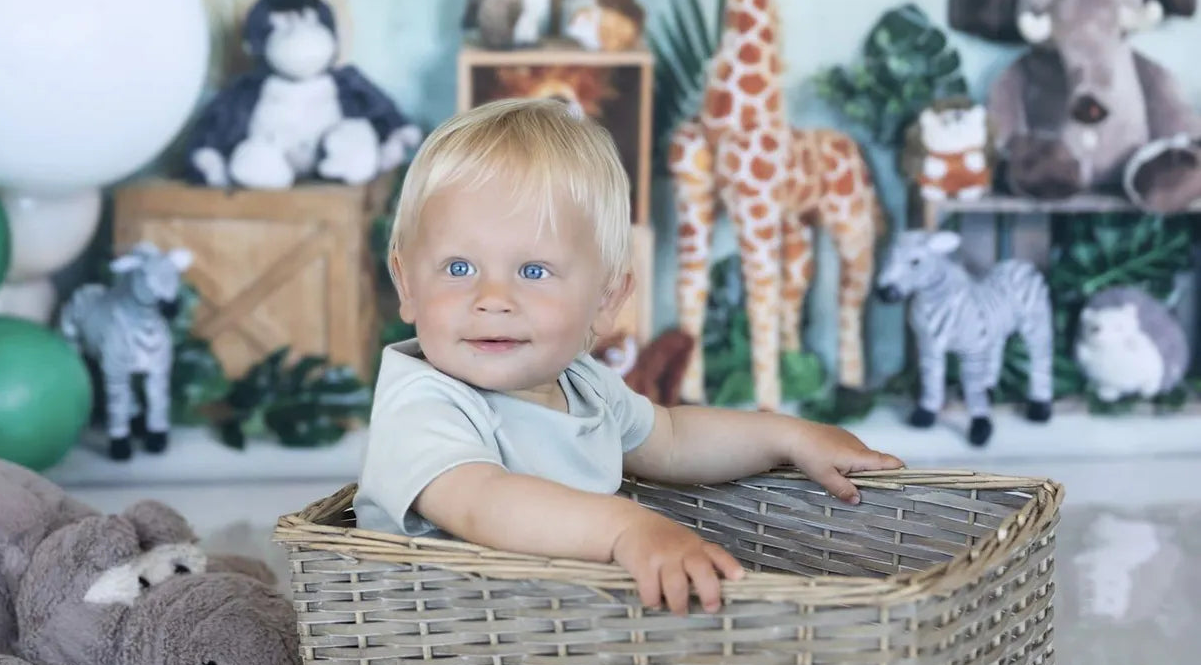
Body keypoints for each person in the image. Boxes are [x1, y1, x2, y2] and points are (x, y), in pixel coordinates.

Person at [354, 97, 904, 614]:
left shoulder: (582, 384)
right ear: (405, 285)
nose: (492, 300)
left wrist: (785, 436)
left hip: (555, 642)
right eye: (458, 268)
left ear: (606, 301)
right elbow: (480, 500)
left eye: (533, 271)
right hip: (446, 645)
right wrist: (625, 528)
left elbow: (672, 439)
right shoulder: (424, 402)